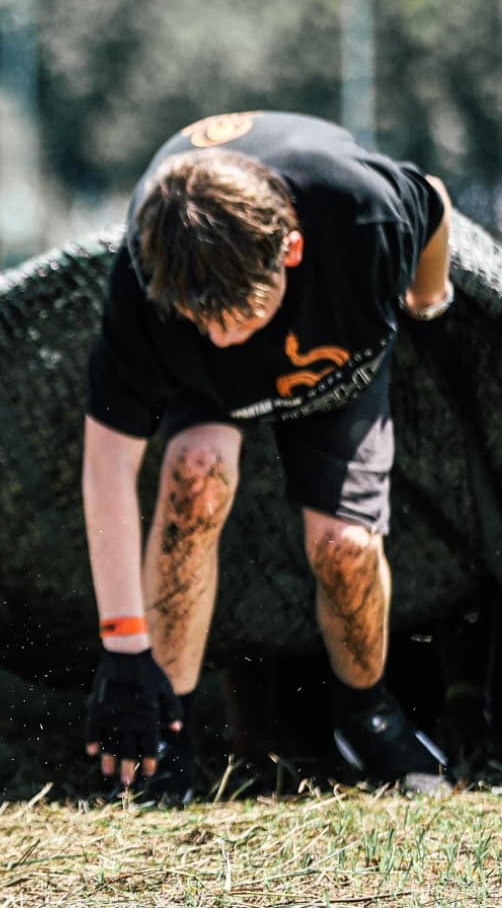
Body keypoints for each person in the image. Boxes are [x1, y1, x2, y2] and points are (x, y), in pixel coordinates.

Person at [81, 110, 454, 801]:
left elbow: (432, 200)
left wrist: (428, 301)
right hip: (207, 389)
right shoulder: (147, 278)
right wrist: (124, 645)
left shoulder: (365, 214)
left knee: (344, 546)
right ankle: (170, 734)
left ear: (292, 249)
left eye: (240, 316)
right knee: (193, 476)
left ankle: (365, 713)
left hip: (333, 350)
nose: (224, 340)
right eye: (204, 322)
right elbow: (107, 462)